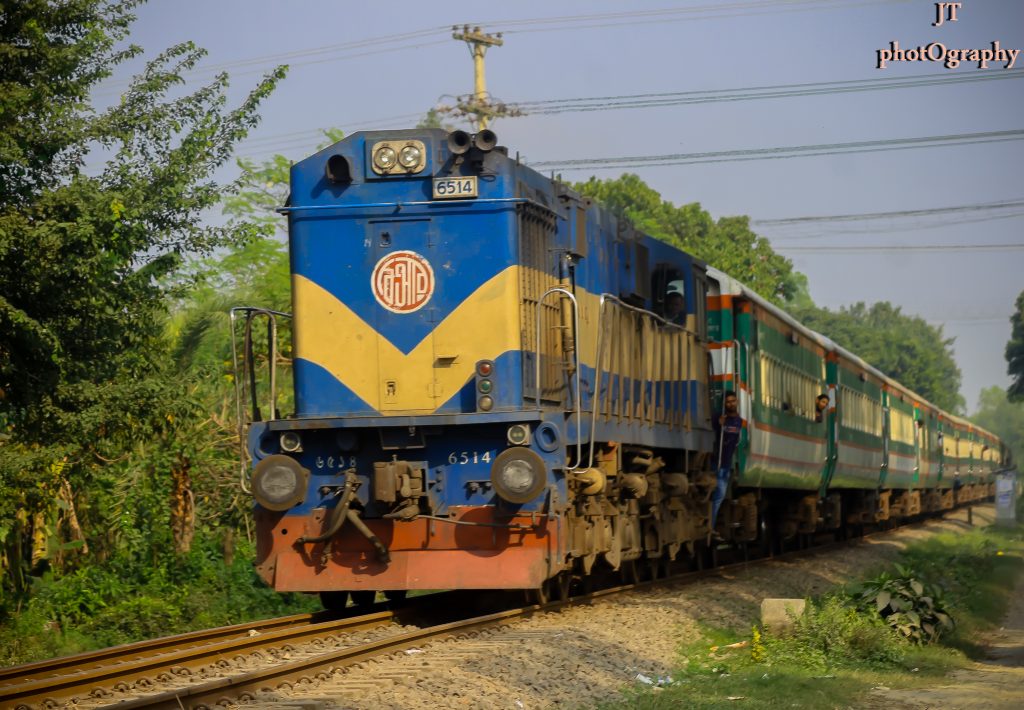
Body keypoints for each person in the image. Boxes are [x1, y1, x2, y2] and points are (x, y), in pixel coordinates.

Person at [711, 391, 743, 528]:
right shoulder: (718, 417)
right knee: (717, 496)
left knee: (720, 496)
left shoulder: (738, 421)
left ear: (737, 402)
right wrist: (719, 425)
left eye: (733, 401)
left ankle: (711, 523)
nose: (731, 404)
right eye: (728, 402)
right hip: (715, 462)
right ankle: (710, 525)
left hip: (726, 465)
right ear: (724, 403)